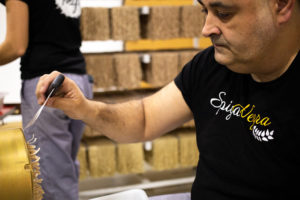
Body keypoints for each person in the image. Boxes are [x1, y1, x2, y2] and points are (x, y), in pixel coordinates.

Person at [36, 0, 300, 199]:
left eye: (224, 13)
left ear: (281, 5)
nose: (207, 28)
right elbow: (144, 119)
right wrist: (84, 108)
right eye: (204, 11)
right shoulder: (211, 65)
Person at [0, 0, 93, 199]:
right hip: (78, 81)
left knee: (51, 182)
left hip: (47, 87)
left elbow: (15, 46)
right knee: (63, 169)